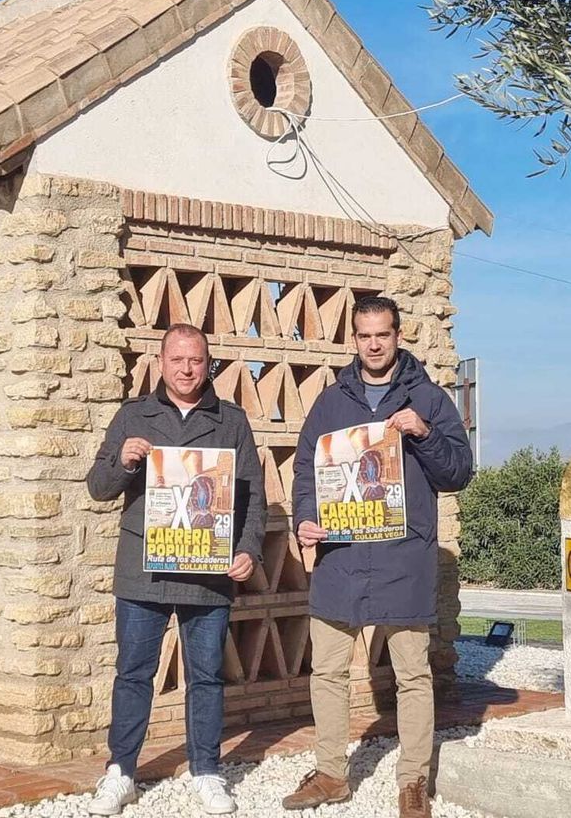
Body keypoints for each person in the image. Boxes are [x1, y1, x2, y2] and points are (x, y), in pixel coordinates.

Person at [281, 296, 473, 818]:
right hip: (341, 556)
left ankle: (412, 781)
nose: (373, 344)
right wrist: (305, 519)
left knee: (413, 674)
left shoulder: (430, 400)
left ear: (397, 335)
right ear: (354, 339)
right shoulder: (329, 403)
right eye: (364, 335)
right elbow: (305, 469)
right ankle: (329, 774)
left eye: (382, 334)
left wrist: (424, 434)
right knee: (327, 672)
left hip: (403, 556)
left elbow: (458, 472)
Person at [85, 322, 268, 816]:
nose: (187, 369)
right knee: (133, 673)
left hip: (209, 569)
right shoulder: (133, 415)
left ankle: (206, 771)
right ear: (160, 363)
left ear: (208, 364)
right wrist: (122, 461)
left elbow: (252, 496)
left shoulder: (231, 420)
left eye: (196, 360)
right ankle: (120, 771)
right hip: (143, 570)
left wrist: (249, 549)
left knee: (206, 676)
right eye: (177, 360)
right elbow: (98, 487)